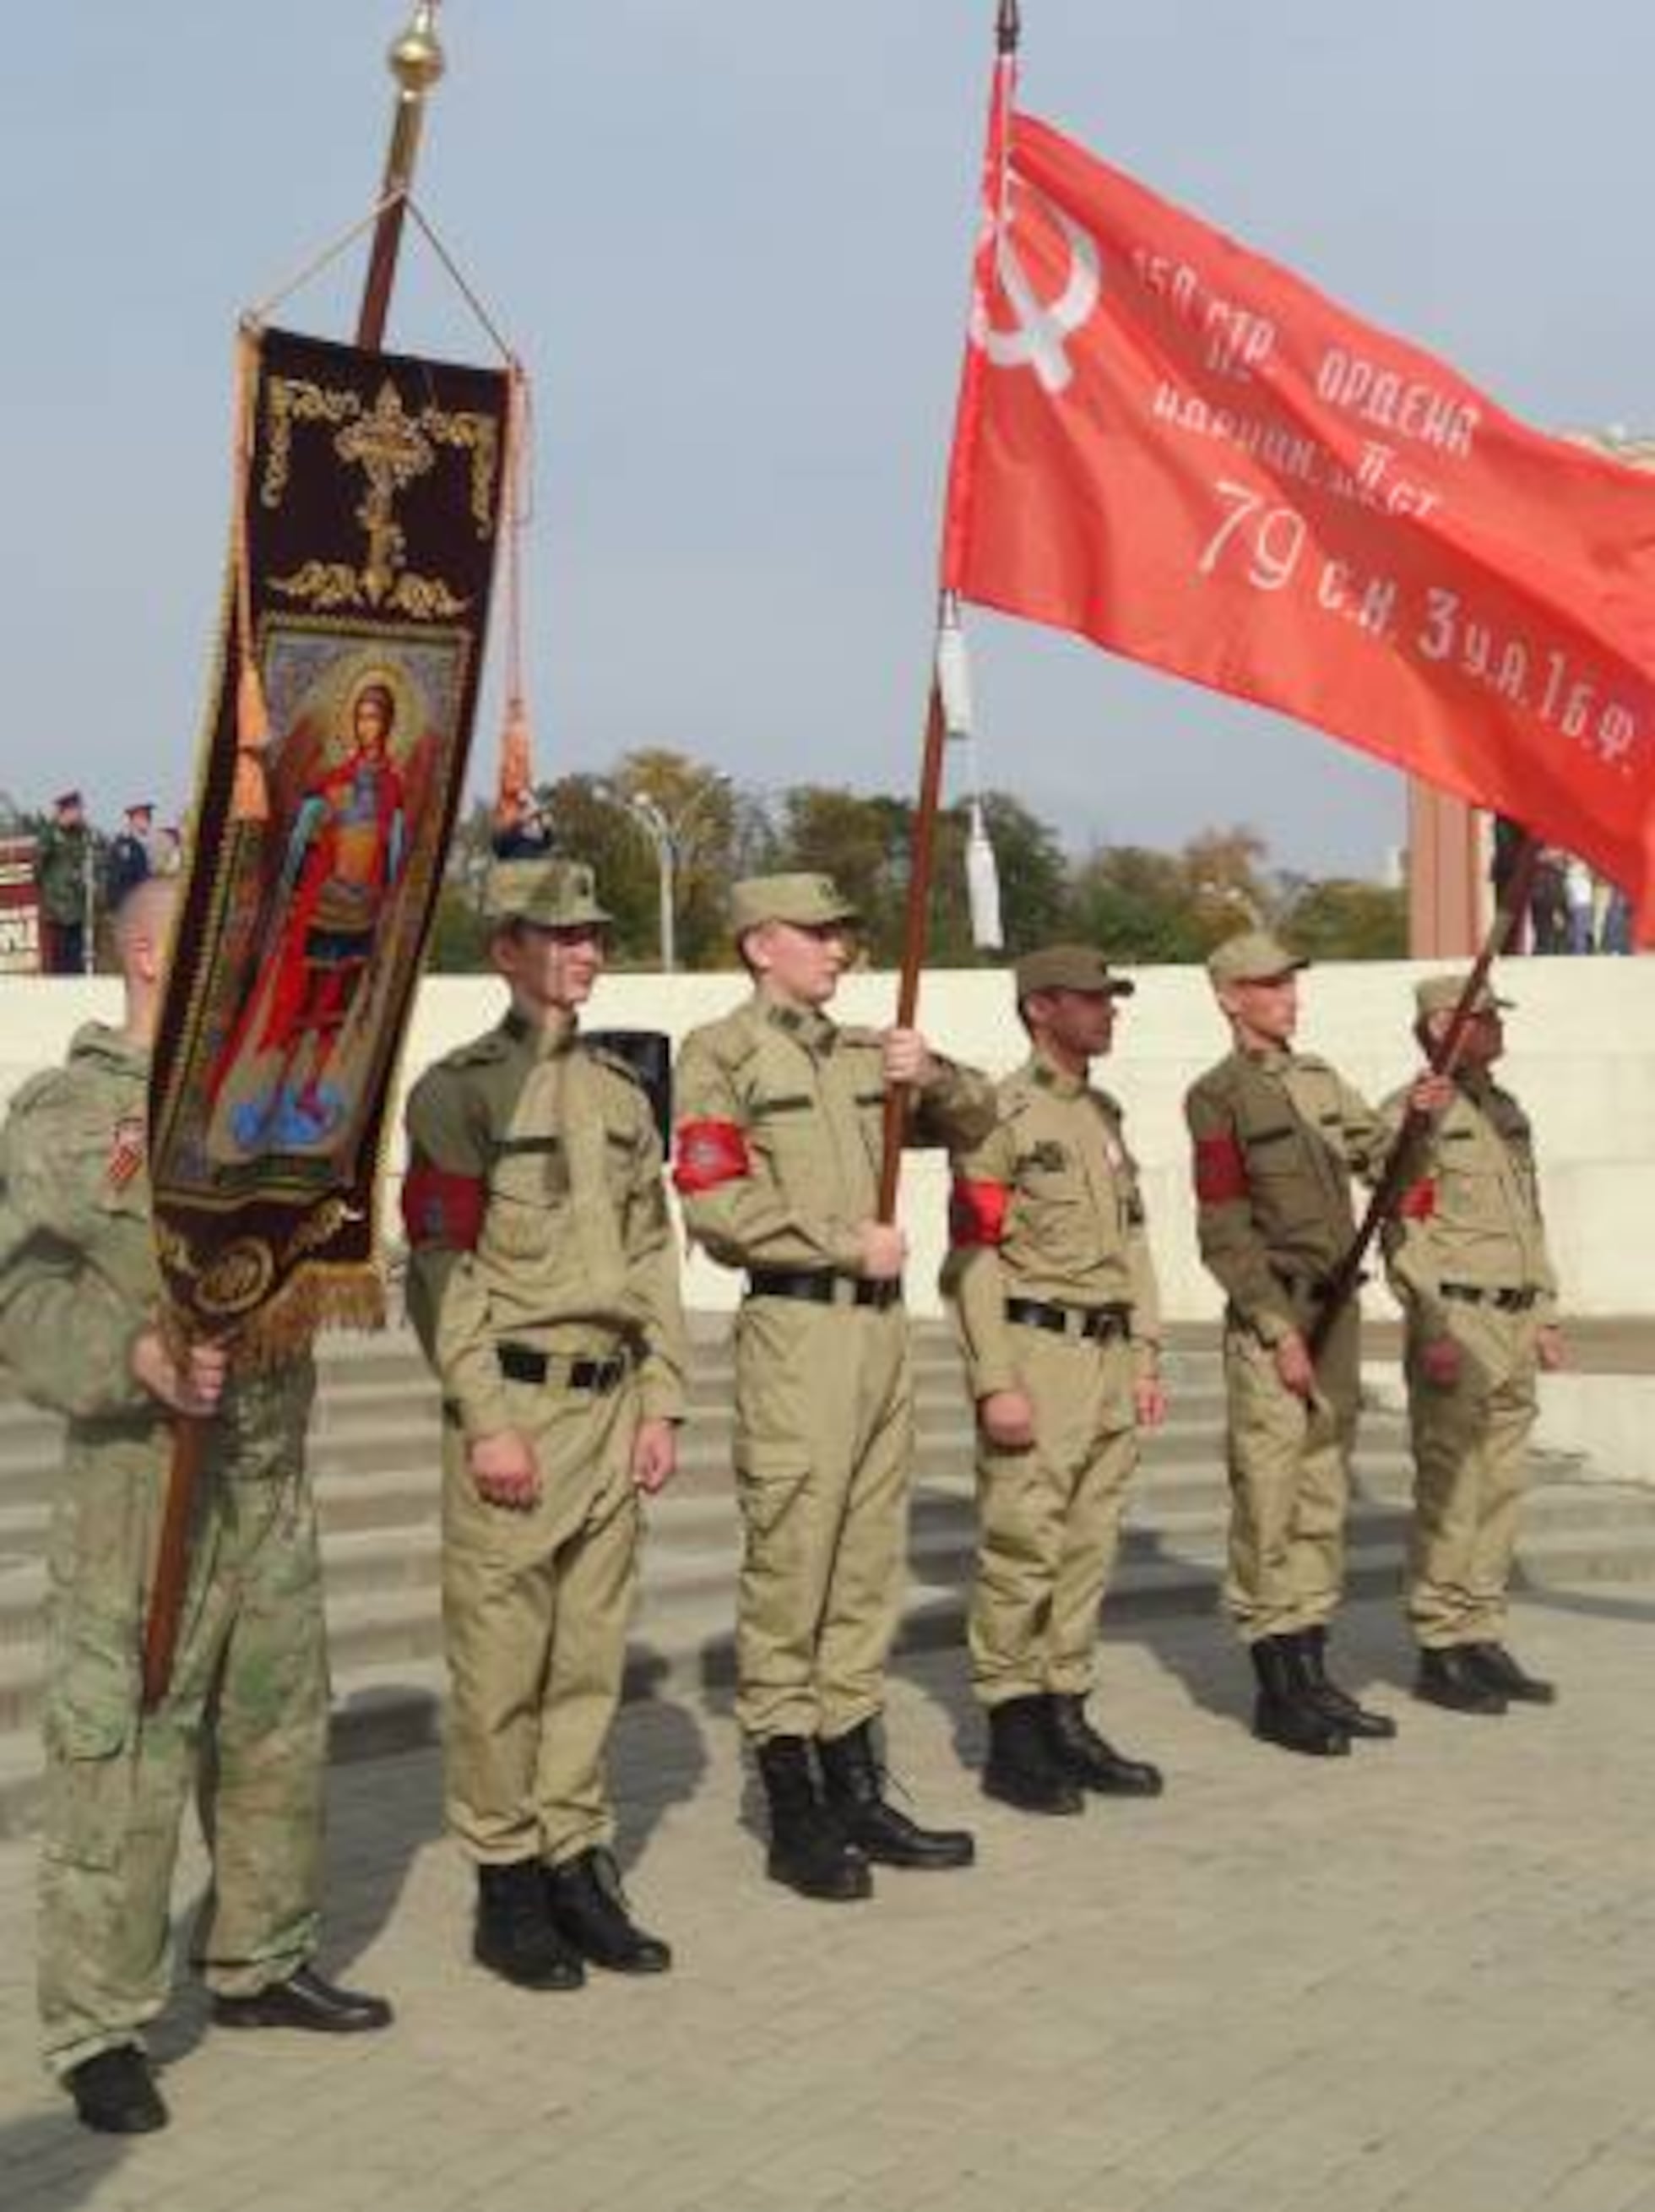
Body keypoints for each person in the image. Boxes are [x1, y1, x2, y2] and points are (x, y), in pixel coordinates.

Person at [0, 877, 390, 2138]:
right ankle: (97, 2022)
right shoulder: (71, 1116)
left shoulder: (276, 1100)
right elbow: (17, 1298)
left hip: (266, 1473)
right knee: (124, 1754)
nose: (267, 953)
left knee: (276, 1730)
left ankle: (261, 1956)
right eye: (242, 935)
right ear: (161, 951)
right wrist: (137, 1358)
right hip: (141, 1480)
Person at [672, 873, 996, 1901]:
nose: (840, 949)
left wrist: (931, 1071)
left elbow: (985, 1118)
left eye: (843, 933)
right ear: (759, 943)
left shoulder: (869, 1053)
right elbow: (715, 1204)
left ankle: (857, 1782)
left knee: (864, 1565)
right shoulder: (719, 1054)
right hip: (797, 1326)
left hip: (878, 1337)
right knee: (793, 1565)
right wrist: (842, 1242)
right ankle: (794, 1803)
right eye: (818, 933)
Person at [402, 856, 687, 1990]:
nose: (585, 950)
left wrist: (662, 1396)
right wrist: (485, 1418)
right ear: (505, 948)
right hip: (515, 1404)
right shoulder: (459, 1091)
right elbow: (439, 1265)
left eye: (594, 935)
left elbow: (655, 1250)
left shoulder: (622, 1094)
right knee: (502, 1662)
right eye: (559, 934)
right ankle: (506, 1877)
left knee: (587, 1657)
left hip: (610, 1405)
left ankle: (577, 1858)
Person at [1184, 929, 1435, 1757]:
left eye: (1289, 981)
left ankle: (1314, 1671)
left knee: (1321, 1499)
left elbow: (1383, 1168)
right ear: (1228, 998)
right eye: (1267, 985)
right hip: (1278, 1320)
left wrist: (1417, 1128)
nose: (1287, 995)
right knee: (1269, 1501)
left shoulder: (1321, 1079)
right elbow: (1222, 1228)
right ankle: (1276, 1690)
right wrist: (1272, 1327)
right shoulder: (1216, 1095)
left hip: (1340, 1313)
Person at [941, 945, 1167, 1817]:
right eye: (1091, 1000)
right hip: (1038, 1352)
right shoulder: (999, 1115)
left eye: (1110, 999)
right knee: (1022, 1546)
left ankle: (1067, 1710)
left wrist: (1146, 1353)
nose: (1108, 1012)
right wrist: (994, 1380)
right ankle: (1011, 1729)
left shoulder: (1100, 1114)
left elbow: (1136, 1244)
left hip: (1107, 1356)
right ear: (1041, 1009)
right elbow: (974, 1255)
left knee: (1086, 1547)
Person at [1381, 975, 1565, 1713]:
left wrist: (1546, 1311)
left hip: (1516, 1317)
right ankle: (1440, 1643)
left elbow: (1532, 1218)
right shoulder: (1416, 1115)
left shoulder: (1504, 1111)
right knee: (1452, 1489)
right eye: (1485, 1018)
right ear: (1442, 1026)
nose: (1497, 1029)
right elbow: (1404, 1227)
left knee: (1501, 1485)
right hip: (1458, 1317)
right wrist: (1430, 1325)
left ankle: (1481, 1629)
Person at [209, 676, 407, 1147]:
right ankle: (275, 1094)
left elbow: (395, 852)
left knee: (335, 1014)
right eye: (361, 716)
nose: (367, 726)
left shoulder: (395, 787)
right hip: (322, 912)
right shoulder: (331, 784)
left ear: (389, 725)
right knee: (301, 1009)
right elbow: (300, 847)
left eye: (375, 717)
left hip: (363, 915)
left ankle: (312, 1091)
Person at [35, 789, 91, 975]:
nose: (80, 814)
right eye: (77, 810)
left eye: (80, 810)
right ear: (65, 811)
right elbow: (38, 868)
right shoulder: (49, 834)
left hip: (76, 905)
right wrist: (51, 892)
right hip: (58, 909)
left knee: (77, 960)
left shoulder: (79, 834)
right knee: (61, 960)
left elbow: (84, 860)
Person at [104, 802, 156, 910]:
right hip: (128, 904)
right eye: (144, 817)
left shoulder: (148, 843)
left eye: (148, 817)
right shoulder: (123, 844)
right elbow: (118, 878)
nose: (148, 821)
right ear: (134, 820)